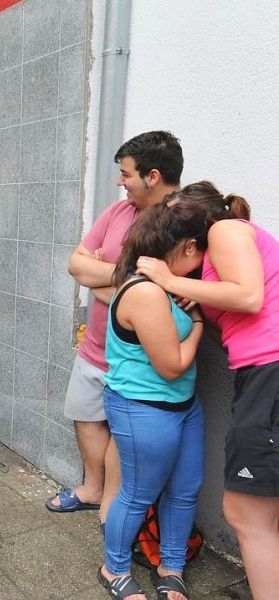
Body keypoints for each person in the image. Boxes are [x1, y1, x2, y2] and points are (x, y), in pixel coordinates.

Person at [136, 181, 279, 600]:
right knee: (262, 514)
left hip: (270, 373)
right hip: (260, 374)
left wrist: (170, 281)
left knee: (245, 513)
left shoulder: (227, 231)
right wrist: (197, 310)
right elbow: (242, 326)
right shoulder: (214, 264)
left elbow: (250, 298)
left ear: (188, 242)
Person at [46, 131, 184, 522]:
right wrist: (129, 279)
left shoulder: (180, 222)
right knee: (85, 415)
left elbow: (164, 298)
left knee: (124, 436)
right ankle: (92, 489)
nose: (120, 182)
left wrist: (110, 284)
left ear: (152, 176)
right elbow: (76, 264)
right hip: (94, 346)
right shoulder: (117, 211)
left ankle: (112, 509)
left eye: (126, 174)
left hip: (139, 361)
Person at [97, 201, 207, 600]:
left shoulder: (167, 286)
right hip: (143, 407)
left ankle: (171, 565)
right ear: (188, 247)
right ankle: (113, 569)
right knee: (138, 492)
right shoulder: (144, 291)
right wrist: (197, 323)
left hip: (183, 406)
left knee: (185, 488)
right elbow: (173, 365)